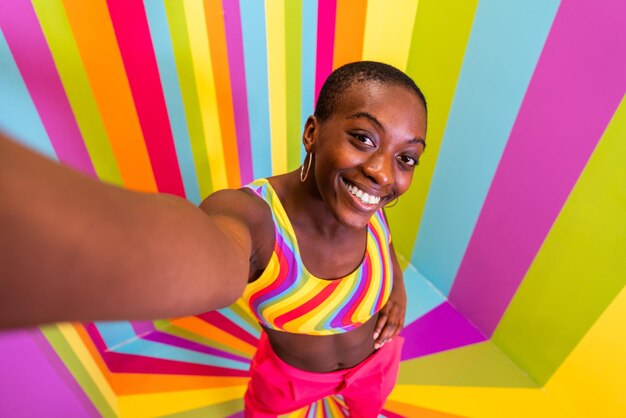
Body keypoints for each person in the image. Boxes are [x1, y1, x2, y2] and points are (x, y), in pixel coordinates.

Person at [0, 61, 427, 417]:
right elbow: (209, 253)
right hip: (287, 381)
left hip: (377, 364)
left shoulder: (368, 208)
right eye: (363, 138)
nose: (384, 174)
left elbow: (385, 247)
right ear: (312, 132)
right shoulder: (255, 220)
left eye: (405, 157)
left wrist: (398, 291)